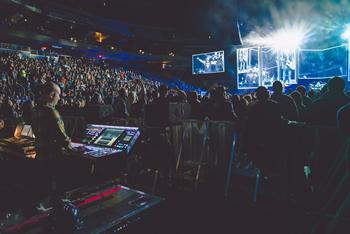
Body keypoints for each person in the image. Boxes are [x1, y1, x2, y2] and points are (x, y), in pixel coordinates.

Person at [31, 81, 72, 205]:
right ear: (51, 94)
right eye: (58, 95)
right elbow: (61, 137)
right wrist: (72, 148)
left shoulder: (35, 110)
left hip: (40, 153)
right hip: (53, 156)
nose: (59, 98)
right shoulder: (51, 112)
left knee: (44, 184)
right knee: (55, 187)